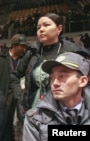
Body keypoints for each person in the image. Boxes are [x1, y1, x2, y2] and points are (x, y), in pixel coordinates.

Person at [10, 12, 90, 140]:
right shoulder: (33, 51)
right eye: (38, 27)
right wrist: (20, 96)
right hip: (32, 109)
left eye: (46, 25)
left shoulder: (73, 51)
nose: (41, 29)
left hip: (62, 113)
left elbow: (85, 81)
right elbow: (14, 76)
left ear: (59, 28)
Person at [22, 52, 90, 141]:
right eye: (52, 78)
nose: (55, 83)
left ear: (82, 81)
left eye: (62, 76)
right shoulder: (35, 118)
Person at [0, 33, 28, 141]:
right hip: (4, 97)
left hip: (20, 97)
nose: (24, 48)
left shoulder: (25, 59)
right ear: (14, 46)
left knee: (19, 124)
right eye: (22, 46)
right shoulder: (0, 58)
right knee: (5, 125)